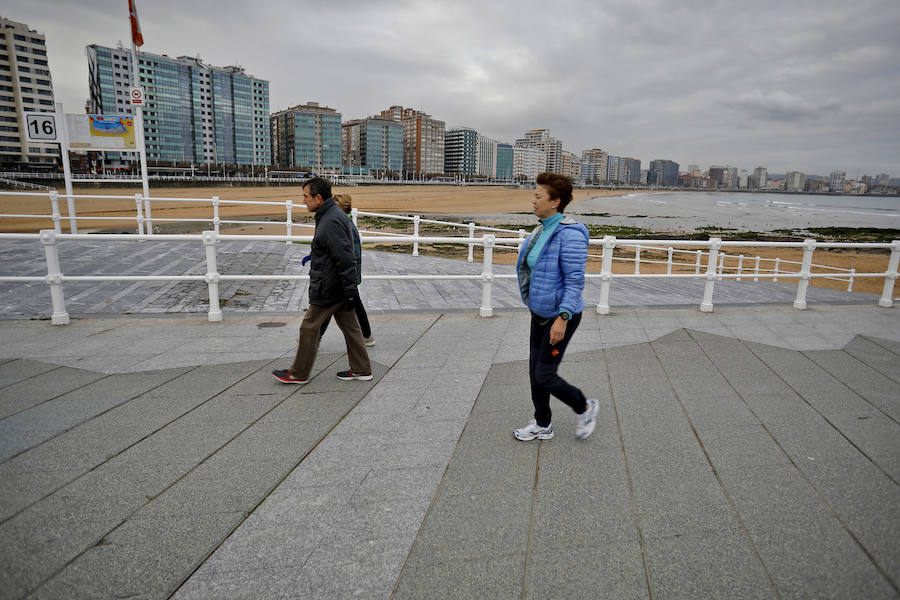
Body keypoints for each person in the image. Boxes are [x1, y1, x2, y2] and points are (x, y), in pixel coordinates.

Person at [513, 172, 598, 441]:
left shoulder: (570, 234)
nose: (533, 200)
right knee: (534, 372)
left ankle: (585, 407)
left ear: (555, 201)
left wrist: (562, 317)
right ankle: (542, 424)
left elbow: (575, 281)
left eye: (539, 196)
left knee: (545, 375)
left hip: (560, 315)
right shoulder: (542, 227)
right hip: (539, 312)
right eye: (534, 195)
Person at [272, 177, 373, 384]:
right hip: (337, 285)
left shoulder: (331, 220)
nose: (303, 201)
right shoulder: (330, 215)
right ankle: (362, 370)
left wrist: (350, 289)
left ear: (318, 198)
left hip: (330, 286)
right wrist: (350, 291)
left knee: (309, 327)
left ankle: (298, 373)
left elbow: (345, 257)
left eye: (305, 197)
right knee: (352, 328)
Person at [317, 194, 375, 347]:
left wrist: (347, 274)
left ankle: (316, 336)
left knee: (332, 305)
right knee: (348, 304)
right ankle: (366, 335)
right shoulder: (344, 223)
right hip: (346, 274)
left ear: (342, 208)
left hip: (346, 275)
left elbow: (351, 253)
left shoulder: (346, 225)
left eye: (335, 206)